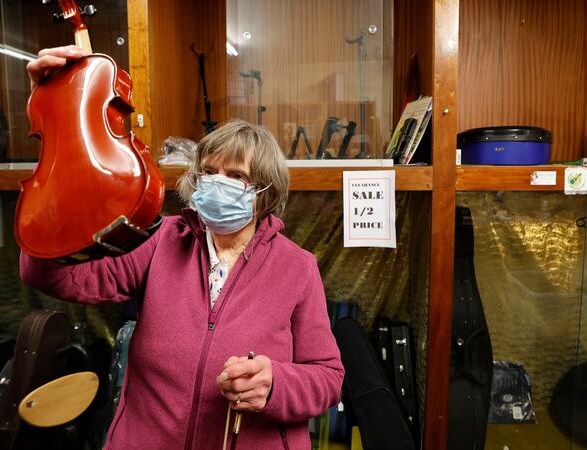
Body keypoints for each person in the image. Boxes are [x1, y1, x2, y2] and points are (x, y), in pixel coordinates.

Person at [20, 46, 344, 449]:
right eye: (208, 172)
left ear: (265, 193)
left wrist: (276, 383)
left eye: (235, 175)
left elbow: (327, 377)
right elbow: (55, 275)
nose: (216, 182)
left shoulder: (298, 267)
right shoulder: (160, 240)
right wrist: (61, 131)